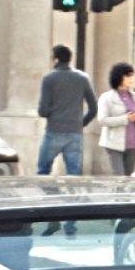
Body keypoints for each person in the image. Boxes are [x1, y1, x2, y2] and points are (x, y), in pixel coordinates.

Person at [36, 43, 98, 177]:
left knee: (43, 170)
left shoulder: (49, 78)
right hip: (74, 132)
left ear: (55, 58)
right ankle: (72, 197)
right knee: (73, 174)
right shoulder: (82, 78)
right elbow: (93, 108)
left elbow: (43, 111)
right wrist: (81, 123)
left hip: (54, 131)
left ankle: (49, 195)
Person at [97, 62, 135, 176]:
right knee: (119, 177)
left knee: (128, 178)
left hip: (133, 143)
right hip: (114, 143)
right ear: (119, 77)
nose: (131, 79)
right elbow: (102, 120)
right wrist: (125, 119)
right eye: (128, 76)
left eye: (132, 75)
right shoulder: (107, 97)